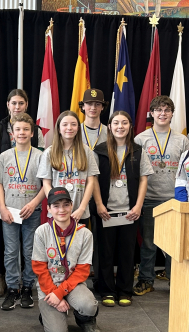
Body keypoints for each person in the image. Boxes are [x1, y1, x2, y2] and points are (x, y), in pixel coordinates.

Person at [0, 89, 45, 298]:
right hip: (9, 211)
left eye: (26, 130)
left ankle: (28, 285)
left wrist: (34, 204)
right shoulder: (4, 157)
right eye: (18, 130)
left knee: (30, 251)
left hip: (33, 210)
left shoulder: (40, 156)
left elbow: (45, 184)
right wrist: (2, 208)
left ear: (32, 133)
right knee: (10, 252)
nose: (21, 133)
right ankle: (12, 286)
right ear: (12, 132)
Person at [94, 111, 153, 307]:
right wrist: (99, 204)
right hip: (106, 211)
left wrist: (138, 205)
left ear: (130, 126)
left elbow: (144, 178)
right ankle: (107, 291)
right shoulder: (100, 150)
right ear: (109, 126)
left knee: (127, 253)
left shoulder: (137, 150)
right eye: (116, 123)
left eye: (124, 123)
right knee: (106, 253)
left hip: (130, 211)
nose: (120, 126)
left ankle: (125, 290)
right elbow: (92, 179)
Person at [133, 96, 189, 295]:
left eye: (166, 110)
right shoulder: (141, 139)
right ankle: (146, 280)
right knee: (148, 243)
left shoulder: (182, 140)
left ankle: (175, 280)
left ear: (172, 114)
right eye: (158, 110)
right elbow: (135, 171)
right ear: (152, 114)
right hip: (149, 198)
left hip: (174, 199)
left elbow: (188, 171)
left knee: (174, 243)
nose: (162, 113)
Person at [32, 187, 103, 332]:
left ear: (72, 206)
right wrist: (54, 293)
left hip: (73, 284)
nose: (61, 210)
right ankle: (48, 314)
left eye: (65, 204)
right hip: (48, 286)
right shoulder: (41, 232)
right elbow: (39, 268)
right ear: (49, 209)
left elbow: (82, 271)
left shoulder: (85, 234)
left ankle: (85, 320)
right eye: (56, 206)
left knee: (89, 305)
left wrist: (60, 293)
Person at [37, 111, 99, 224]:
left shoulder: (86, 152)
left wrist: (82, 209)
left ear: (78, 128)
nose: (69, 128)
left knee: (80, 241)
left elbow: (91, 182)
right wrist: (56, 207)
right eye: (65, 124)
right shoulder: (49, 153)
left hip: (80, 213)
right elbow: (46, 183)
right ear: (59, 129)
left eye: (74, 124)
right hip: (57, 214)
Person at [78, 88, 109, 293]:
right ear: (82, 107)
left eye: (97, 104)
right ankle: (76, 278)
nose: (93, 107)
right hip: (79, 191)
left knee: (101, 238)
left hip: (104, 189)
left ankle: (100, 280)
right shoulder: (72, 129)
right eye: (89, 104)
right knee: (77, 237)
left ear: (102, 107)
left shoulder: (110, 130)